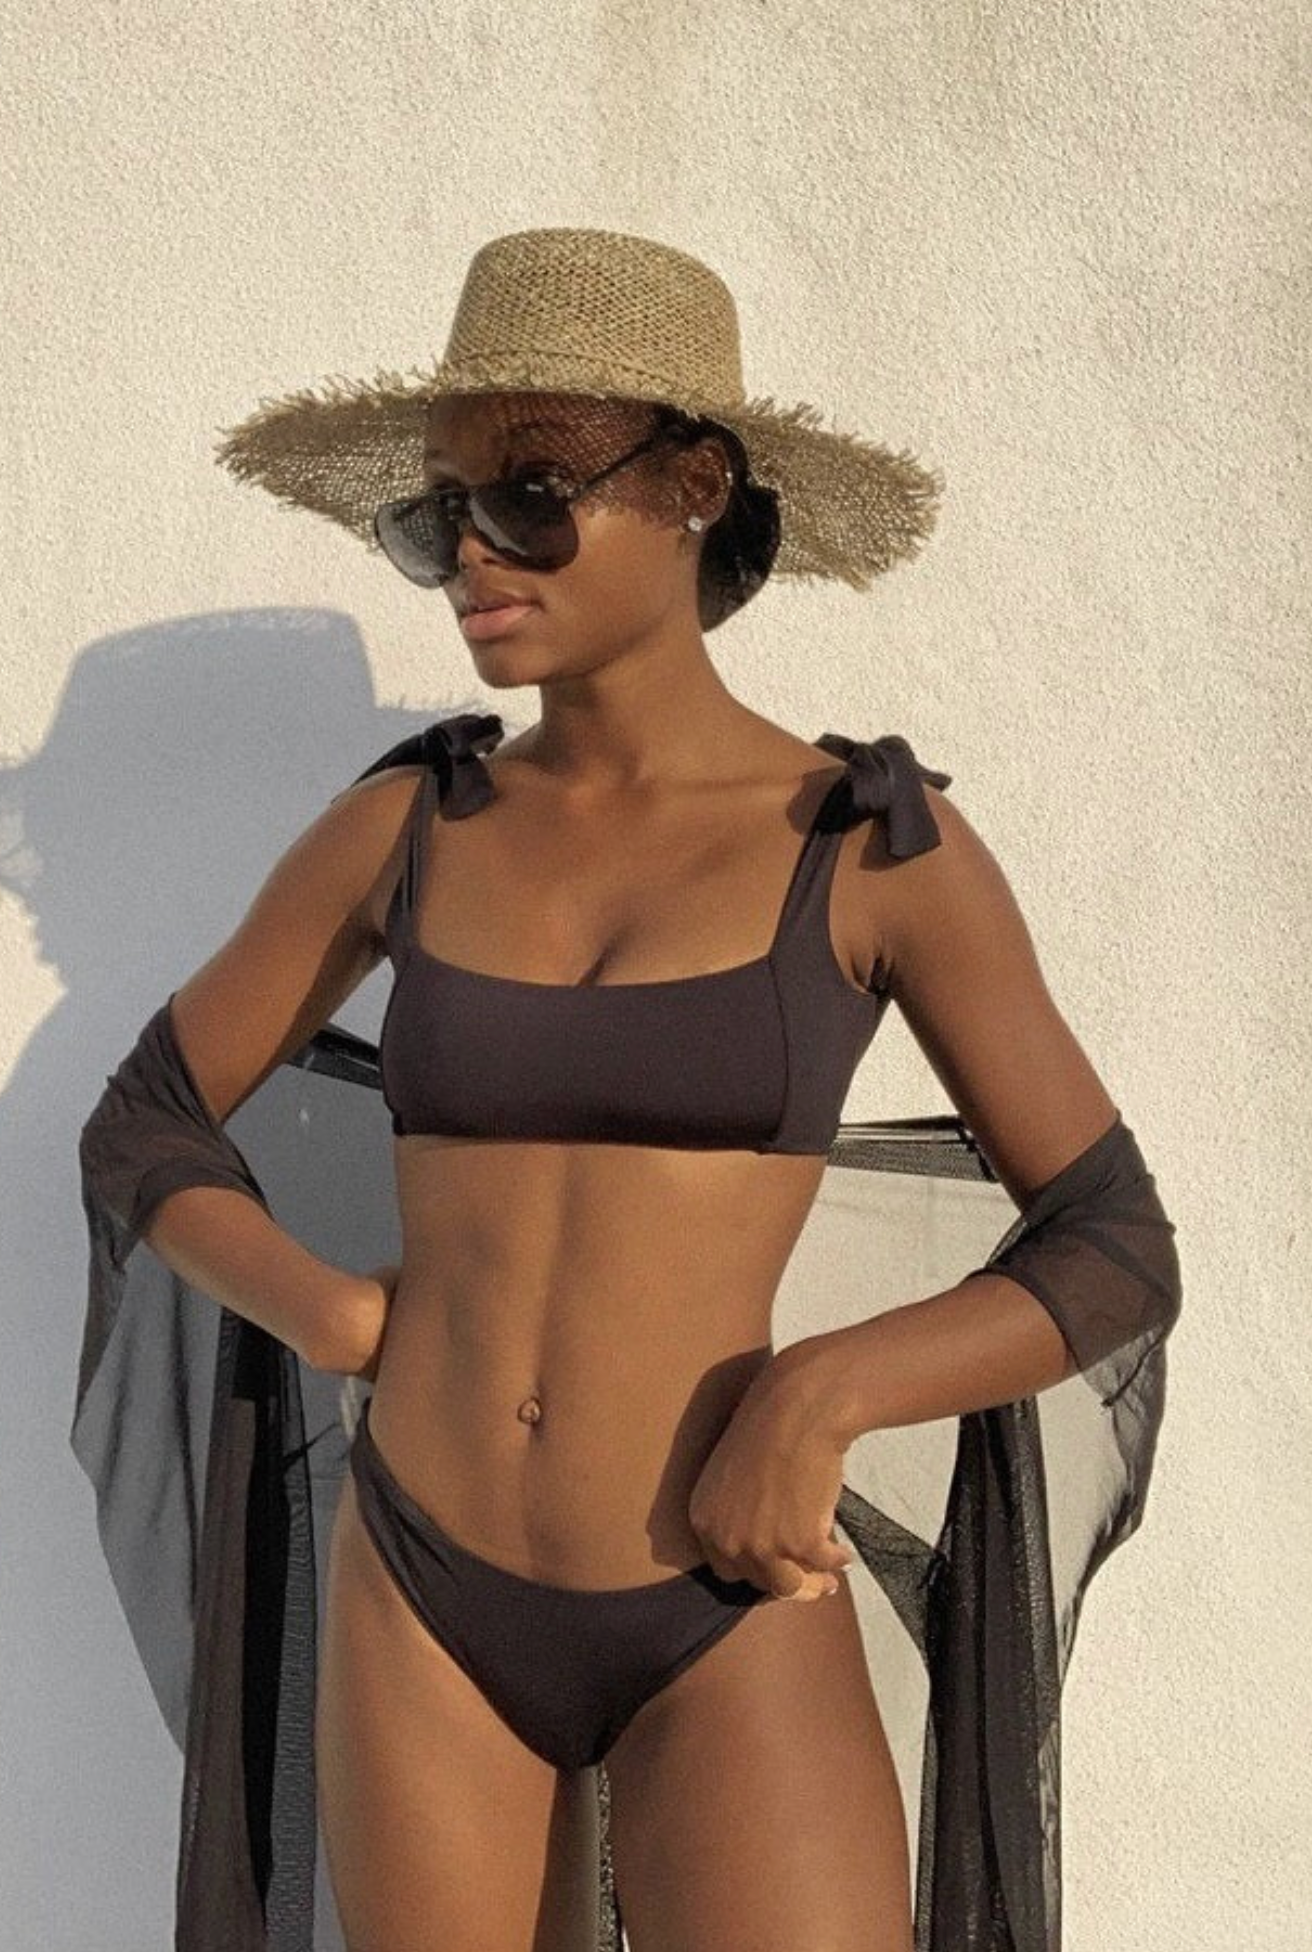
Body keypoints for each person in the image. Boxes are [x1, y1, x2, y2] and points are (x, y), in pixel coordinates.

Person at [73, 226, 1182, 1952]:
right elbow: (145, 1121)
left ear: (694, 487)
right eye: (439, 512)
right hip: (424, 1589)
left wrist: (823, 1392)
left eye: (528, 495)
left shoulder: (865, 848)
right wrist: (327, 1311)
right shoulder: (408, 829)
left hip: (719, 1592)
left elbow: (1112, 1243)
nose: (470, 553)